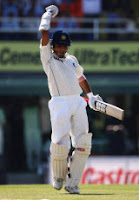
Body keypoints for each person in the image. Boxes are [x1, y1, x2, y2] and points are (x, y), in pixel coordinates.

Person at [38, 5, 102, 194]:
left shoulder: (71, 59)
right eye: (58, 45)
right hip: (59, 103)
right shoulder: (47, 58)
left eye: (64, 46)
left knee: (83, 143)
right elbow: (43, 32)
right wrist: (48, 14)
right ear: (53, 45)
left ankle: (73, 184)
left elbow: (81, 78)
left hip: (77, 101)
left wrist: (90, 96)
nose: (62, 49)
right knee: (60, 143)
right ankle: (58, 177)